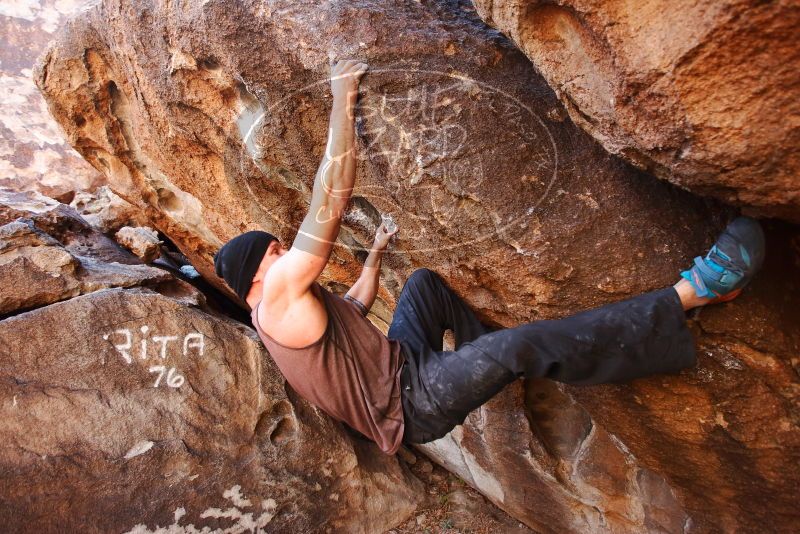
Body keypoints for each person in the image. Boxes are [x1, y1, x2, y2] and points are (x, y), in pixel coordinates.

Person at [213, 60, 766, 455]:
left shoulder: (288, 316)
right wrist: (341, 96)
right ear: (259, 270)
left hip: (403, 363)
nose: (287, 251)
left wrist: (377, 254)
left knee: (425, 285)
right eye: (278, 248)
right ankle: (697, 291)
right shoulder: (277, 301)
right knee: (516, 347)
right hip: (415, 404)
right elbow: (328, 197)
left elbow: (354, 309)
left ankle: (478, 361)